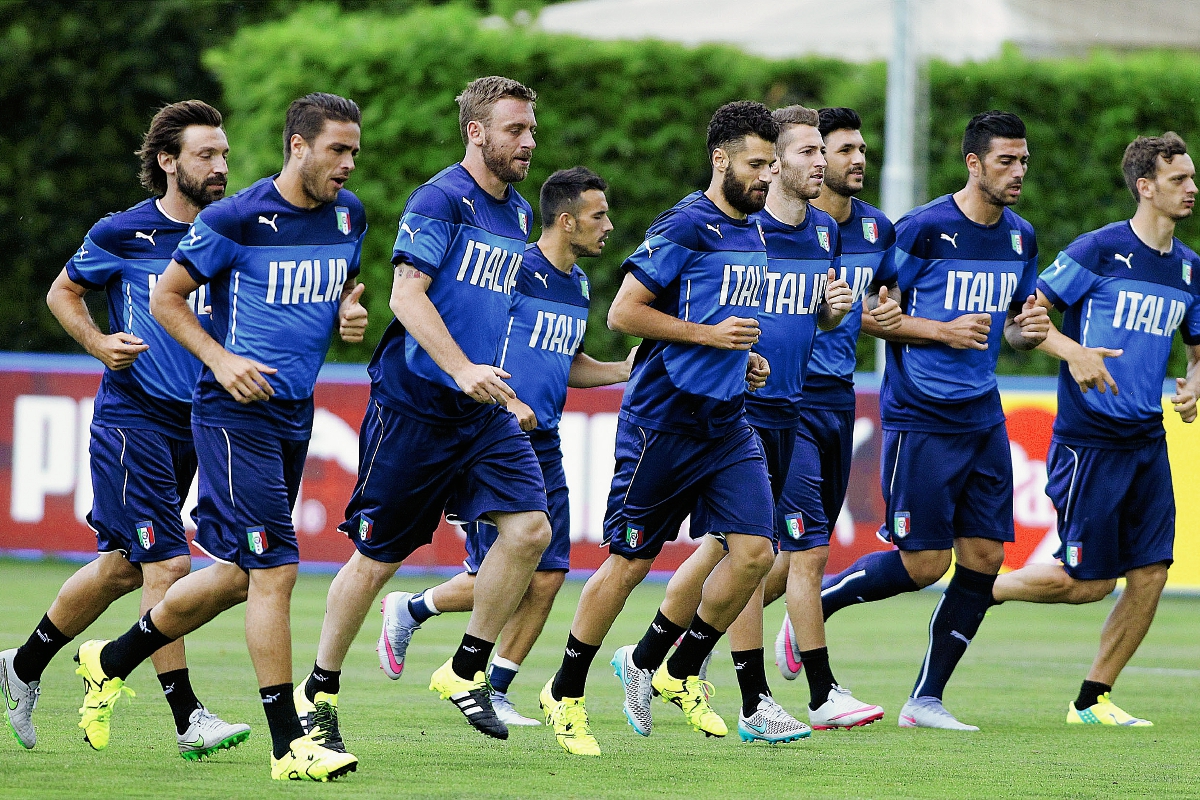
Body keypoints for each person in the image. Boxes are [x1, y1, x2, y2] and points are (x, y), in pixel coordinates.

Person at [72, 92, 368, 782]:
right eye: (337, 149)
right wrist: (221, 359)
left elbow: (336, 287)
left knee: (238, 575)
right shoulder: (237, 218)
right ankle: (288, 744)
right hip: (232, 415)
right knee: (276, 568)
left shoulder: (350, 215)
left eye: (354, 150)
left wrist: (347, 312)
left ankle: (109, 660)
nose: (349, 164)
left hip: (295, 410)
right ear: (298, 146)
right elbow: (165, 298)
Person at [297, 76, 551, 746]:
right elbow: (408, 296)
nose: (529, 140)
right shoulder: (441, 200)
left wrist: (501, 383)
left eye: (530, 129)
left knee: (530, 531)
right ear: (476, 132)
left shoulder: (519, 213)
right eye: (515, 129)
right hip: (415, 407)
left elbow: (491, 311)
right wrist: (461, 368)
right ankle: (317, 691)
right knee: (377, 558)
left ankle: (466, 671)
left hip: (480, 413)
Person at [616, 104, 877, 745]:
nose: (820, 162)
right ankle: (757, 698)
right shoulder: (736, 228)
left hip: (792, 402)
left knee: (733, 552)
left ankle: (651, 661)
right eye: (806, 151)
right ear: (772, 162)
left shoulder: (822, 233)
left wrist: (828, 314)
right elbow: (676, 312)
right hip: (739, 409)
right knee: (767, 552)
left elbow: (792, 320)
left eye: (825, 151)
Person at [0, 100, 251, 759]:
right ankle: (188, 717)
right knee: (167, 562)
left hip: (193, 420)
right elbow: (62, 291)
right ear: (168, 161)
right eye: (206, 154)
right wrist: (96, 341)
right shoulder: (124, 233)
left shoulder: (234, 232)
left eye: (224, 153)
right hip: (131, 416)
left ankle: (22, 665)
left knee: (119, 569)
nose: (221, 165)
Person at [538, 100, 778, 757]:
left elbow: (720, 319)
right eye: (757, 164)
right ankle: (564, 690)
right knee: (630, 561)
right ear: (721, 160)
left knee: (756, 551)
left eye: (772, 165)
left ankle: (667, 666)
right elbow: (624, 312)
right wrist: (710, 336)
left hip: (725, 421)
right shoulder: (685, 225)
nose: (767, 177)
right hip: (663, 423)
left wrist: (742, 356)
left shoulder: (754, 231)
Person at [375, 167, 633, 727]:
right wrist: (499, 402)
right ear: (566, 221)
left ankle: (495, 686)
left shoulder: (580, 285)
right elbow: (473, 333)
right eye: (599, 216)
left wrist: (623, 371)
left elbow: (568, 362)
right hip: (496, 435)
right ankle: (413, 609)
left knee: (548, 573)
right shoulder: (515, 269)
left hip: (547, 439)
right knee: (502, 573)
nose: (608, 226)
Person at [818, 110, 1050, 730]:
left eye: (1023, 160)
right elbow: (863, 311)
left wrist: (1026, 333)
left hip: (982, 415)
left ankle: (925, 701)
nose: (1018, 171)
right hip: (920, 413)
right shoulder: (921, 230)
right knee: (924, 564)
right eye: (1006, 160)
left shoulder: (1021, 237)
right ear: (973, 163)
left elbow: (1009, 328)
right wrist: (941, 331)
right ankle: (813, 608)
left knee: (985, 556)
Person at [992, 132, 1200, 726]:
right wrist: (1072, 350)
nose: (1191, 187)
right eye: (1179, 179)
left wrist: (1192, 384)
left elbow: (1198, 349)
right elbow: (1024, 318)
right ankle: (985, 587)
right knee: (1088, 584)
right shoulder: (1099, 250)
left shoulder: (1190, 269)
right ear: (1145, 187)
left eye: (1190, 177)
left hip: (1147, 441)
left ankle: (1092, 699)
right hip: (1090, 440)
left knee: (1153, 573)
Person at [770, 106, 896, 730]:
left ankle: (673, 649)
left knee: (776, 555)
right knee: (805, 550)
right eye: (837, 149)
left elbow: (885, 300)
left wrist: (898, 315)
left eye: (855, 149)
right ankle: (822, 695)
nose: (851, 159)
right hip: (787, 397)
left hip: (839, 398)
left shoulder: (875, 231)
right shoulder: (799, 227)